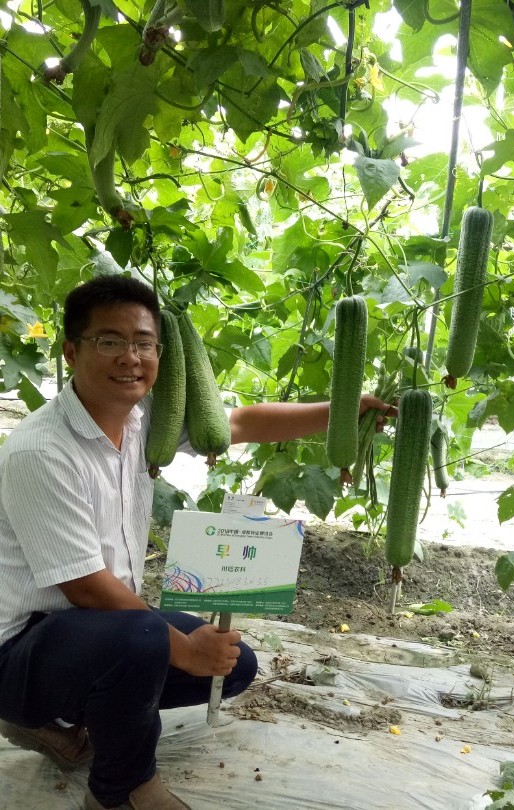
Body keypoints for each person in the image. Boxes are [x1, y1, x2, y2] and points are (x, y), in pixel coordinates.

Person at [0, 275, 394, 810]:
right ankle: (122, 791)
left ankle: (65, 722)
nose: (130, 357)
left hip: (90, 630)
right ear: (72, 351)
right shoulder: (40, 451)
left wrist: (342, 412)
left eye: (143, 342)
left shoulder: (142, 422)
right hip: (21, 645)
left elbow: (235, 422)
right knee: (144, 636)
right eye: (110, 341)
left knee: (234, 665)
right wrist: (181, 648)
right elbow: (86, 588)